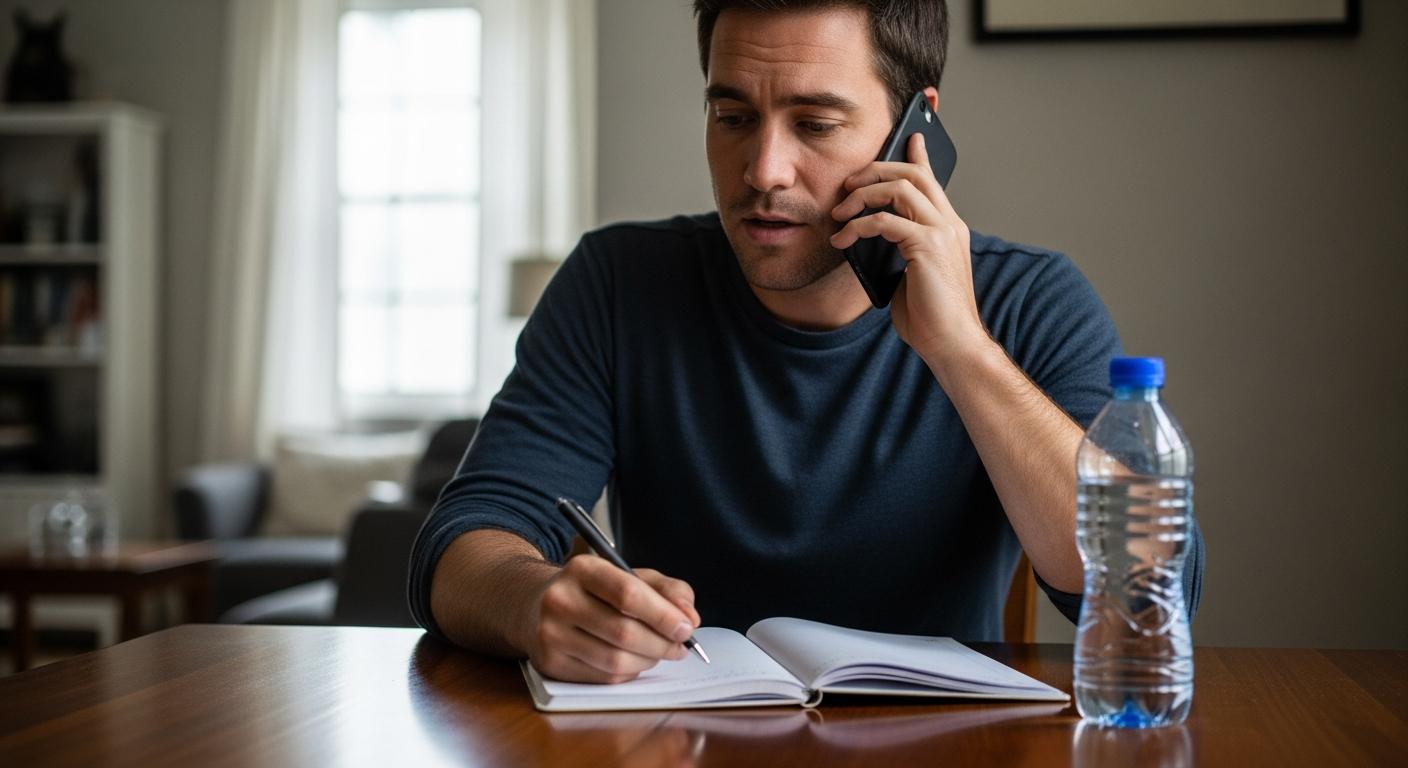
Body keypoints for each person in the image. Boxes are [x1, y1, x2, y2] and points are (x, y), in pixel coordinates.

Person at [408, 0, 1204, 684]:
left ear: (915, 127)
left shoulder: (1029, 299)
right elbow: (465, 542)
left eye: (815, 123)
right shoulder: (616, 283)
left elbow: (1148, 586)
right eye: (732, 117)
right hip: (685, 736)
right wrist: (534, 604)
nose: (763, 170)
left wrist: (962, 347)